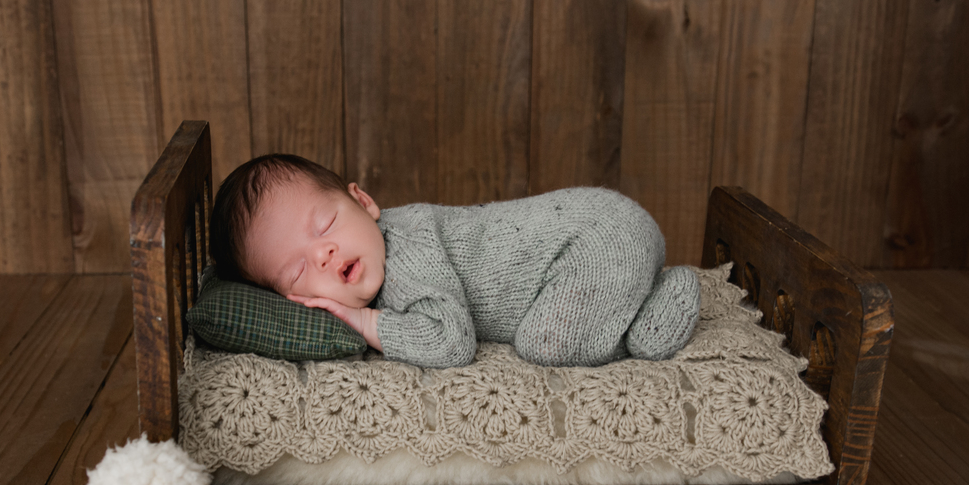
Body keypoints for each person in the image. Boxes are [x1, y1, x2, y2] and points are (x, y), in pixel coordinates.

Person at [210, 154, 699, 369]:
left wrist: (364, 322)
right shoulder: (377, 251)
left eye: (325, 225)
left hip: (597, 239)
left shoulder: (407, 249)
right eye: (298, 271)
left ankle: (668, 292)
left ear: (364, 203)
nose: (323, 253)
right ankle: (643, 291)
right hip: (597, 231)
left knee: (546, 343)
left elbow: (451, 341)